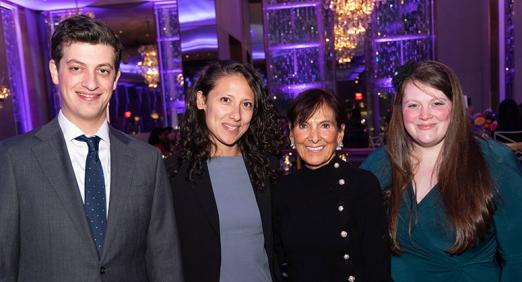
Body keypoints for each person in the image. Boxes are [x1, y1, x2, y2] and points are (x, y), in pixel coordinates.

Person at [0, 15, 183, 281]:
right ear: (55, 71)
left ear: (116, 77)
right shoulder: (14, 159)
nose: (91, 83)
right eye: (76, 68)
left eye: (103, 70)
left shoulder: (147, 161)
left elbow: (164, 261)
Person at [361, 60, 522, 282]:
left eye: (437, 103)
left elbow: (518, 258)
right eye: (413, 105)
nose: (424, 115)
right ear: (400, 111)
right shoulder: (379, 165)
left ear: (454, 106)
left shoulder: (494, 162)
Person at [166, 61, 285, 282]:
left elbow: (277, 247)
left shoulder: (266, 168)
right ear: (202, 100)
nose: (236, 115)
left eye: (246, 104)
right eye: (225, 100)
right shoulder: (173, 174)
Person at [272, 88, 391, 282]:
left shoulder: (362, 185)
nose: (314, 136)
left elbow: (378, 267)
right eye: (304, 125)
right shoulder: (281, 191)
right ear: (291, 134)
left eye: (325, 125)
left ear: (340, 132)